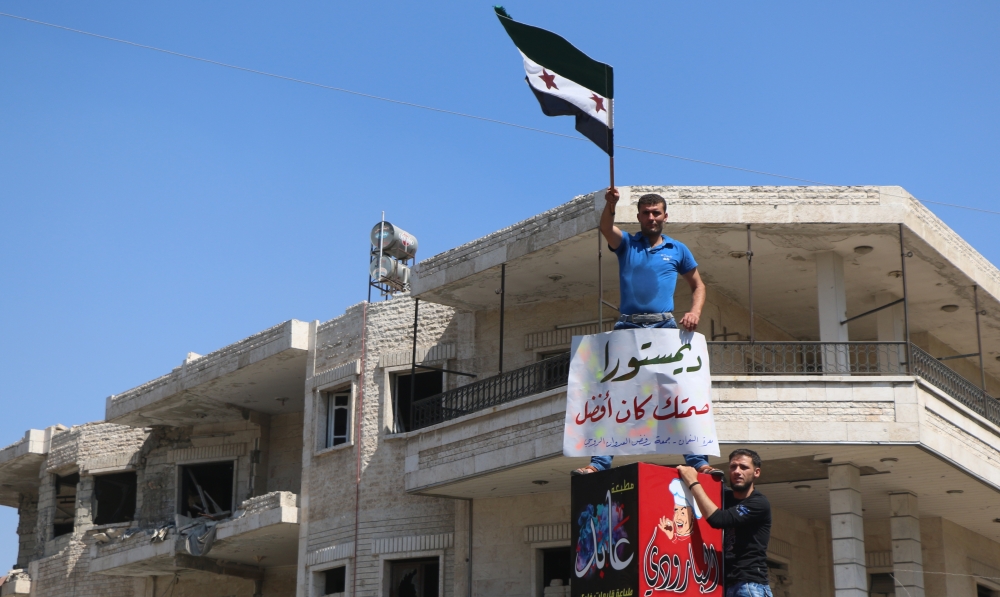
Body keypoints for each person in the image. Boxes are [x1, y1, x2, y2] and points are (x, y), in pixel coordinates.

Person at [572, 188, 711, 476]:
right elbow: (605, 228)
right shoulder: (627, 244)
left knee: (679, 393)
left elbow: (698, 285)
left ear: (665, 216)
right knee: (612, 394)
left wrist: (694, 312)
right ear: (638, 216)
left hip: (665, 327)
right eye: (646, 213)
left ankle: (699, 461)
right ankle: (599, 463)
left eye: (656, 212)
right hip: (628, 326)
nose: (651, 217)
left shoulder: (678, 250)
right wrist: (610, 205)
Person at [678, 449, 772, 597]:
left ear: (756, 472)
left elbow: (718, 519)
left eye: (744, 467)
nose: (737, 471)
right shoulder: (726, 497)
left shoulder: (759, 503)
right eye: (733, 467)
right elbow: (706, 485)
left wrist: (693, 481)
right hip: (727, 585)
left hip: (749, 586)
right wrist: (702, 466)